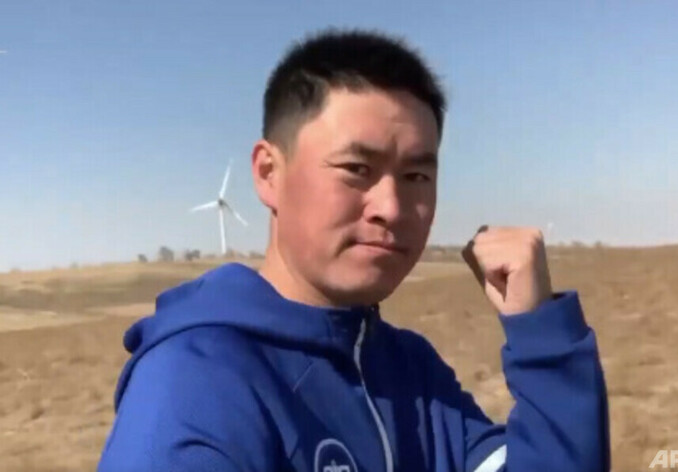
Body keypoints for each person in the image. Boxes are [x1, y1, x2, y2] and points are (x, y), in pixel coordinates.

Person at [97, 29, 610, 472]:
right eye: (356, 170)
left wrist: (542, 334)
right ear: (269, 173)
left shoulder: (409, 371)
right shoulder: (195, 387)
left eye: (416, 176)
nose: (392, 207)